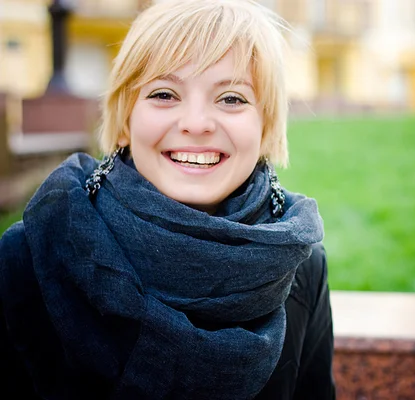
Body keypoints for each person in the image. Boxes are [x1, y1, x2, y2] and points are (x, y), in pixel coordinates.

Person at [0, 0, 336, 398]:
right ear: (126, 119)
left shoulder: (302, 265)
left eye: (231, 98)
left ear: (265, 126)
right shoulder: (31, 253)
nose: (196, 124)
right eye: (164, 93)